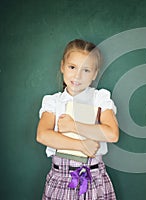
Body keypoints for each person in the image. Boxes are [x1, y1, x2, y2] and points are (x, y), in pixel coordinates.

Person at [36, 39, 119, 200]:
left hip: (94, 178)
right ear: (62, 66)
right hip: (61, 179)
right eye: (72, 67)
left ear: (95, 74)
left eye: (86, 70)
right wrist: (82, 145)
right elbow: (43, 135)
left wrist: (73, 126)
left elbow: (111, 134)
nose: (77, 75)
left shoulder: (99, 98)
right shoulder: (53, 101)